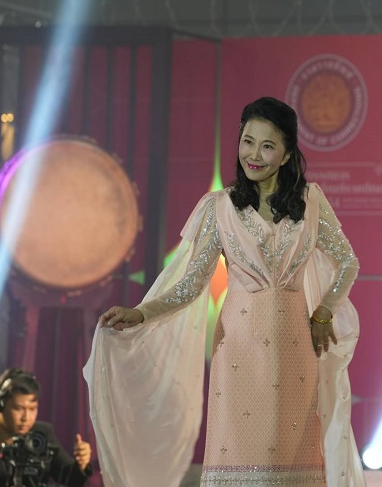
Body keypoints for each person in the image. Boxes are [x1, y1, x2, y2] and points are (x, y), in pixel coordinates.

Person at [84, 96, 366, 486]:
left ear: (287, 155)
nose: (254, 155)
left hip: (296, 351)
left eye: (267, 146)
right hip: (239, 352)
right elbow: (190, 284)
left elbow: (348, 262)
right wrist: (141, 312)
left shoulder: (311, 202)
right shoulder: (220, 207)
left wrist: (324, 311)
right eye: (247, 141)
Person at [0, 368, 93, 487]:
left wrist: (82, 464)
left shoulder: (42, 434)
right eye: (18, 408)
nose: (26, 417)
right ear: (0, 405)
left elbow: (71, 480)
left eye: (32, 409)